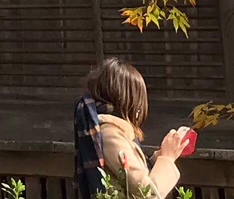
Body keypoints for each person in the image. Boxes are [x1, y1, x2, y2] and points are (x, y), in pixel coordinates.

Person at [82, 57, 196, 199]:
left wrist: (158, 158)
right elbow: (146, 193)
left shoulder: (110, 131)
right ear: (128, 100)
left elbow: (133, 179)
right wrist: (167, 158)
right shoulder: (110, 134)